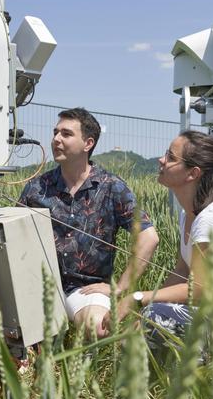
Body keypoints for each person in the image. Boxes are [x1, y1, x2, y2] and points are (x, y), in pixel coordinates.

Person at [110, 130, 213, 349]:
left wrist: (138, 298)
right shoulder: (189, 215)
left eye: (171, 157)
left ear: (192, 173)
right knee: (151, 317)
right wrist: (146, 310)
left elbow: (202, 288)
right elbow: (181, 272)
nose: (161, 160)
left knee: (155, 318)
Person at [18, 107, 159, 338]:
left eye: (66, 134)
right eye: (55, 132)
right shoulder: (36, 187)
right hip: (37, 285)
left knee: (98, 327)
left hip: (84, 290)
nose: (56, 139)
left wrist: (120, 287)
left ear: (88, 143)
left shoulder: (111, 186)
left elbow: (148, 237)